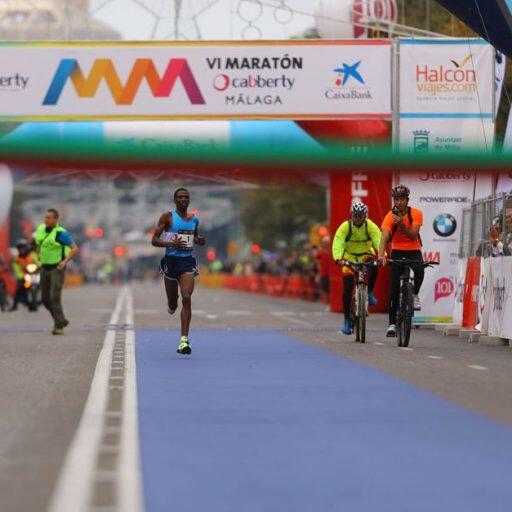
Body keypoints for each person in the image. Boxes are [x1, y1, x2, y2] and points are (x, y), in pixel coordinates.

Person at [151, 188, 205, 355]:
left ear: (189, 200)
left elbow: (194, 238)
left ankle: (184, 341)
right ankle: (171, 304)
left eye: (186, 197)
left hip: (187, 262)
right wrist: (171, 244)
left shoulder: (194, 219)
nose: (183, 199)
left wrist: (199, 240)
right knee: (173, 303)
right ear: (175, 200)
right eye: (180, 197)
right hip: (170, 262)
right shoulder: (167, 217)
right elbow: (154, 240)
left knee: (186, 297)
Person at [378, 185, 423, 338]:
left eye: (402, 199)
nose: (399, 202)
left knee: (420, 270)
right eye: (396, 199)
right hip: (397, 250)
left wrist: (401, 225)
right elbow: (384, 236)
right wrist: (381, 254)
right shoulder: (390, 216)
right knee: (394, 288)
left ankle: (415, 294)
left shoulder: (416, 213)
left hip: (414, 249)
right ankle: (391, 323)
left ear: (407, 200)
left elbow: (413, 235)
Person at [332, 201, 381, 335]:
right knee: (347, 288)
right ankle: (347, 320)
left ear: (365, 216)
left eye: (360, 216)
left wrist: (382, 255)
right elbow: (338, 242)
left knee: (374, 265)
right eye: (355, 215)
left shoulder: (370, 226)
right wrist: (338, 258)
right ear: (351, 215)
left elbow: (378, 240)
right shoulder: (345, 227)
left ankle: (369, 292)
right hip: (349, 258)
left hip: (365, 255)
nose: (358, 218)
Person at [34, 208, 78, 335]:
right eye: (45, 217)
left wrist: (64, 262)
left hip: (56, 268)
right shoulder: (41, 229)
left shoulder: (61, 233)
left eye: (48, 218)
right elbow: (39, 243)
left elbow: (74, 248)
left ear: (55, 219)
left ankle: (59, 325)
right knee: (45, 299)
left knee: (54, 297)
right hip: (44, 268)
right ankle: (61, 320)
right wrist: (38, 254)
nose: (46, 220)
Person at [10, 239, 40, 311]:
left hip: (34, 274)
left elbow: (39, 263)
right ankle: (15, 305)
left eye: (23, 247)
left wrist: (38, 266)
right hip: (24, 276)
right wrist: (21, 276)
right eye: (20, 248)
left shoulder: (32, 255)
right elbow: (16, 270)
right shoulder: (17, 259)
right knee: (19, 289)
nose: (22, 249)